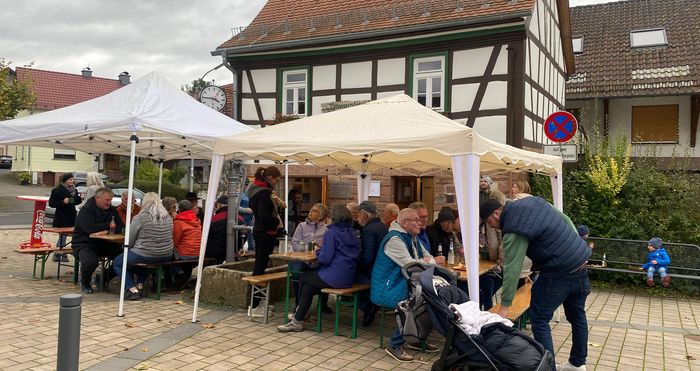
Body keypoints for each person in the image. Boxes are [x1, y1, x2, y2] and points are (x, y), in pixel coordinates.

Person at [480, 197, 591, 371]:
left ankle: (548, 368)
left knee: (539, 319)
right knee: (577, 316)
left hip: (558, 272)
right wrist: (575, 246)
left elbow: (512, 268)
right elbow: (566, 219)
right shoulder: (533, 202)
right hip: (581, 264)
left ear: (496, 213)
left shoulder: (513, 227)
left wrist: (504, 307)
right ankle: (578, 364)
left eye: (489, 222)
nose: (492, 226)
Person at [277, 205, 361, 332]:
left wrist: (318, 252)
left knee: (303, 277)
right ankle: (298, 318)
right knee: (308, 287)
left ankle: (298, 315)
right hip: (349, 277)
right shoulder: (352, 233)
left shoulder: (331, 233)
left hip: (334, 276)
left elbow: (324, 259)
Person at [371, 208, 439, 362]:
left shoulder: (412, 237)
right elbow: (411, 265)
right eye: (415, 219)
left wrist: (429, 261)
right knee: (415, 301)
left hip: (401, 282)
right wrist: (428, 262)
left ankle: (415, 338)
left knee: (433, 297)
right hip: (387, 286)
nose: (420, 222)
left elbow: (429, 258)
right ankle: (394, 345)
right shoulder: (395, 239)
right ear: (404, 223)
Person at [113, 192, 174, 300]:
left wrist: (126, 248)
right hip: (166, 254)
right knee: (142, 261)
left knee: (118, 263)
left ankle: (131, 289)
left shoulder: (140, 217)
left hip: (144, 253)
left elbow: (130, 239)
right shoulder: (168, 217)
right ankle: (140, 284)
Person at [72, 187, 124, 293]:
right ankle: (85, 283)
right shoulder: (86, 210)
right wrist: (108, 226)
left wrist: (106, 230)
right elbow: (89, 229)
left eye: (110, 200)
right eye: (107, 200)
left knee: (125, 258)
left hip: (106, 243)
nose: (109, 203)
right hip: (84, 243)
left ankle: (102, 278)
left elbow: (121, 228)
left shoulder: (112, 210)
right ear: (98, 198)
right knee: (90, 262)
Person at [248, 166, 283, 315]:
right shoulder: (263, 193)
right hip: (264, 233)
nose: (276, 183)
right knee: (259, 270)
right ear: (270, 177)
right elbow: (263, 215)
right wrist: (276, 221)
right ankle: (254, 306)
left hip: (261, 232)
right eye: (276, 179)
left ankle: (259, 301)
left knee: (261, 268)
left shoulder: (256, 189)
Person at [289, 203, 331, 314]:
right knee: (297, 270)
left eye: (314, 211)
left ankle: (322, 305)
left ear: (321, 215)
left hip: (317, 260)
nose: (310, 212)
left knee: (325, 268)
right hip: (301, 260)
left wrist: (319, 248)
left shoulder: (327, 229)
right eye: (310, 210)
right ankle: (298, 305)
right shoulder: (301, 226)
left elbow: (327, 247)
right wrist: (311, 247)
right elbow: (295, 244)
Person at [355, 200, 388, 326]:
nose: (357, 217)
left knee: (350, 277)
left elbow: (367, 256)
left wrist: (357, 267)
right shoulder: (382, 226)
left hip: (372, 271)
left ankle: (367, 306)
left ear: (365, 214)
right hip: (381, 268)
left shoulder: (368, 230)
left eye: (359, 214)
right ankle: (370, 305)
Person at [48, 173, 83, 262]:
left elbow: (73, 202)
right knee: (63, 236)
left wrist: (80, 199)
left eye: (72, 179)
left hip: (72, 216)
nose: (72, 181)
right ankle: (59, 255)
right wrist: (62, 202)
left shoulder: (74, 190)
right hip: (62, 217)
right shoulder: (57, 190)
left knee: (68, 236)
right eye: (70, 179)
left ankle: (61, 255)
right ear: (64, 181)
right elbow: (52, 203)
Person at [171, 199, 202, 284]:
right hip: (198, 252)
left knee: (167, 256)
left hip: (185, 254)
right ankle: (184, 276)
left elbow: (175, 241)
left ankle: (181, 275)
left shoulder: (179, 222)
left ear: (179, 209)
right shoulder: (197, 220)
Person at [205, 196, 229, 264]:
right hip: (233, 250)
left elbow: (205, 236)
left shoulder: (213, 220)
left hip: (215, 253)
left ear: (219, 205)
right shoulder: (240, 218)